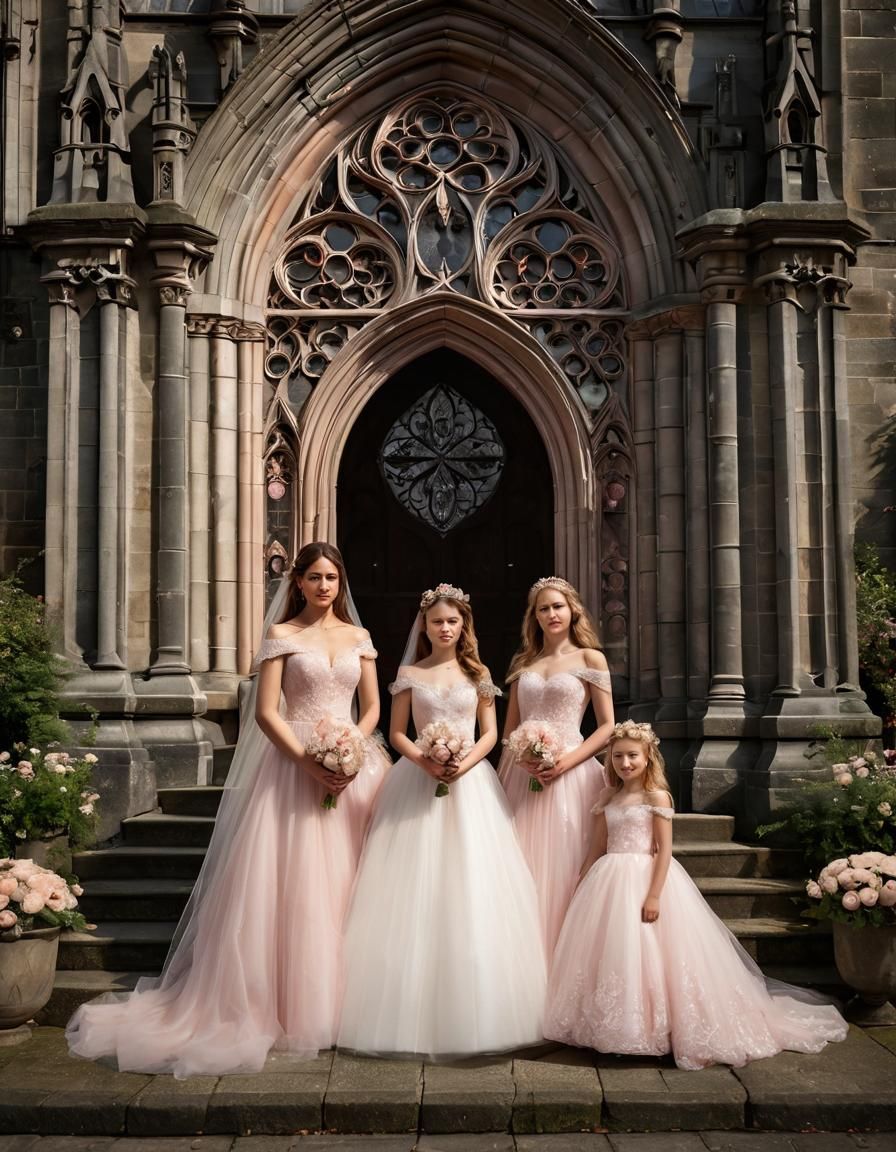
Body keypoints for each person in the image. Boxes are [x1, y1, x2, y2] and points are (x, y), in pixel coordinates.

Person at [66, 542, 388, 1077]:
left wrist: (353, 748)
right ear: (298, 583)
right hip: (292, 767)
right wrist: (312, 763)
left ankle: (355, 1002)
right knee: (299, 887)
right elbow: (265, 713)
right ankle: (292, 1005)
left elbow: (373, 705)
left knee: (355, 885)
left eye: (332, 577)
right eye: (314, 577)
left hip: (356, 767)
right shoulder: (282, 637)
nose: (324, 586)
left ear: (342, 583)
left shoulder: (360, 639)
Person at [544, 720, 849, 1070]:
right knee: (611, 951)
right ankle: (613, 1029)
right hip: (608, 880)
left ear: (648, 758)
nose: (624, 764)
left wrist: (655, 895)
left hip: (645, 878)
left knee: (649, 954)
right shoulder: (607, 796)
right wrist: (582, 878)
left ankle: (655, 1029)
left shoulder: (656, 797)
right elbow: (597, 846)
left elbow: (662, 850)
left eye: (632, 756)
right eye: (617, 757)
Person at [337, 583, 546, 1058]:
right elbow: (395, 731)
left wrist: (464, 763)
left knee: (471, 883)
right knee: (414, 887)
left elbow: (492, 734)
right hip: (418, 781)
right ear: (425, 627)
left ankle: (480, 1005)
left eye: (453, 621)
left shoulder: (480, 673)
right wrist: (425, 761)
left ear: (463, 626)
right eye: (437, 622)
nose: (445, 628)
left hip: (471, 784)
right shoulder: (410, 672)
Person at [499, 576, 614, 956]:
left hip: (574, 773)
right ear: (534, 616)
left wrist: (564, 762)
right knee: (522, 866)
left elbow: (607, 726)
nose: (551, 614)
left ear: (573, 610)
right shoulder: (524, 662)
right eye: (543, 608)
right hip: (524, 775)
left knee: (567, 865)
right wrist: (522, 760)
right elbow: (510, 729)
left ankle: (568, 958)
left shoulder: (590, 658)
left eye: (557, 606)